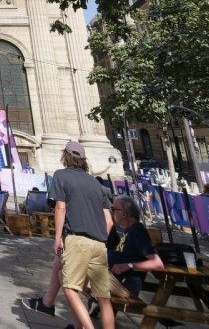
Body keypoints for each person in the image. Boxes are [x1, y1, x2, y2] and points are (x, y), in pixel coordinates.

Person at [49, 141, 115, 329]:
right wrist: (99, 238)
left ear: (66, 157)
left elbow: (60, 208)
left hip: (78, 240)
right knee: (104, 298)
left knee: (70, 288)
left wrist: (57, 238)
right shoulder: (95, 183)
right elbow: (109, 221)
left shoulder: (61, 175)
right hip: (100, 244)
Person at [107, 195, 164, 297]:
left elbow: (157, 264)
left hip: (125, 285)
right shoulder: (129, 230)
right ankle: (95, 306)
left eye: (114, 209)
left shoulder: (137, 231)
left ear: (124, 214)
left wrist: (128, 265)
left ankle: (95, 306)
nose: (112, 212)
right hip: (115, 279)